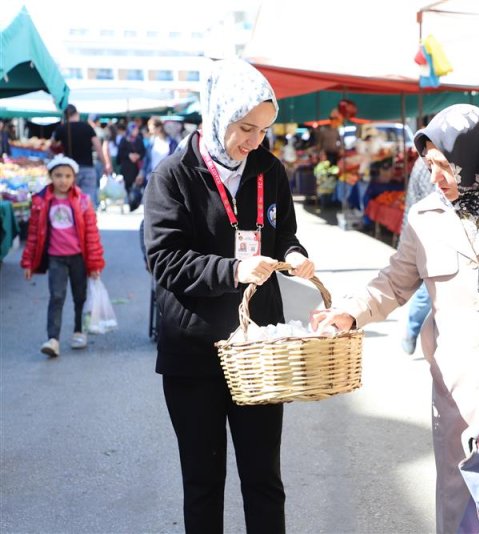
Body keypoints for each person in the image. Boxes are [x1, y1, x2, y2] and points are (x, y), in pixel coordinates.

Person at [311, 104, 479, 533]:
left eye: (445, 165)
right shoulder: (425, 217)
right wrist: (350, 311)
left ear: (476, 158)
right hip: (459, 390)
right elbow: (395, 281)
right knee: (464, 505)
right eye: (429, 164)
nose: (435, 176)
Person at [143, 58, 316, 534]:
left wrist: (296, 253)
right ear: (218, 114)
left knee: (264, 479)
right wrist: (233, 269)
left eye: (263, 129)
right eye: (245, 127)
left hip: (259, 351)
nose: (253, 141)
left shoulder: (268, 169)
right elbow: (164, 259)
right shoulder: (173, 175)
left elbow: (284, 234)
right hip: (194, 353)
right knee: (203, 483)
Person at [21, 155, 105, 358]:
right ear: (50, 176)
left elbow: (92, 236)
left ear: (74, 177)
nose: (63, 180)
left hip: (78, 258)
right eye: (58, 175)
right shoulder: (41, 202)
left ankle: (79, 331)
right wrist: (28, 262)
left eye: (68, 176)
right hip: (55, 258)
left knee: (80, 297)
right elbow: (33, 235)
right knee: (56, 297)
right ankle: (53, 339)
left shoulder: (83, 202)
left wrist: (94, 264)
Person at [399, 156, 434, 355]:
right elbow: (413, 201)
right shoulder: (423, 165)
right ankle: (411, 332)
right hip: (427, 235)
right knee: (427, 291)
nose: (437, 176)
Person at [50, 104, 112, 207]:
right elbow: (98, 147)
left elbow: (52, 145)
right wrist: (105, 164)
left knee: (72, 200)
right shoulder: (87, 127)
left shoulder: (62, 128)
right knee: (88, 201)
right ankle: (87, 221)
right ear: (77, 113)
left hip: (70, 171)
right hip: (88, 168)